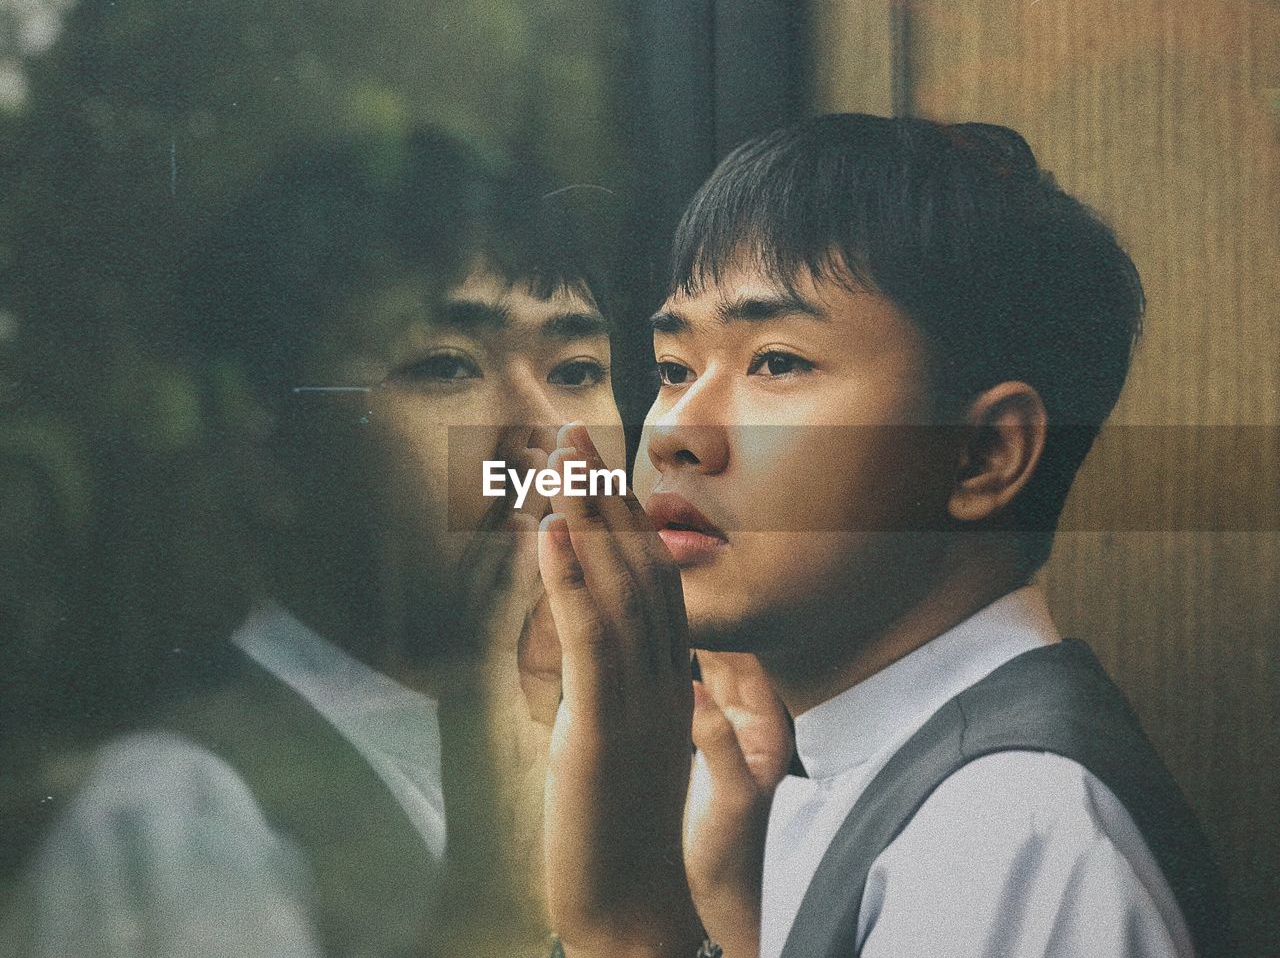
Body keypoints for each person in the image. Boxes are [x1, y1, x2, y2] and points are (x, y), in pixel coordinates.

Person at [526, 114, 1229, 958]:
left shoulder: (1011, 829)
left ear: (982, 456)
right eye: (675, 369)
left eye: (776, 361)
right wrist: (734, 918)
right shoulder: (849, 774)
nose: (675, 429)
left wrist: (629, 926)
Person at [0, 129, 627, 958]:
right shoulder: (179, 820)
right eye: (445, 367)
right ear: (269, 452)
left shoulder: (657, 752)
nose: (545, 437)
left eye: (578, 371)